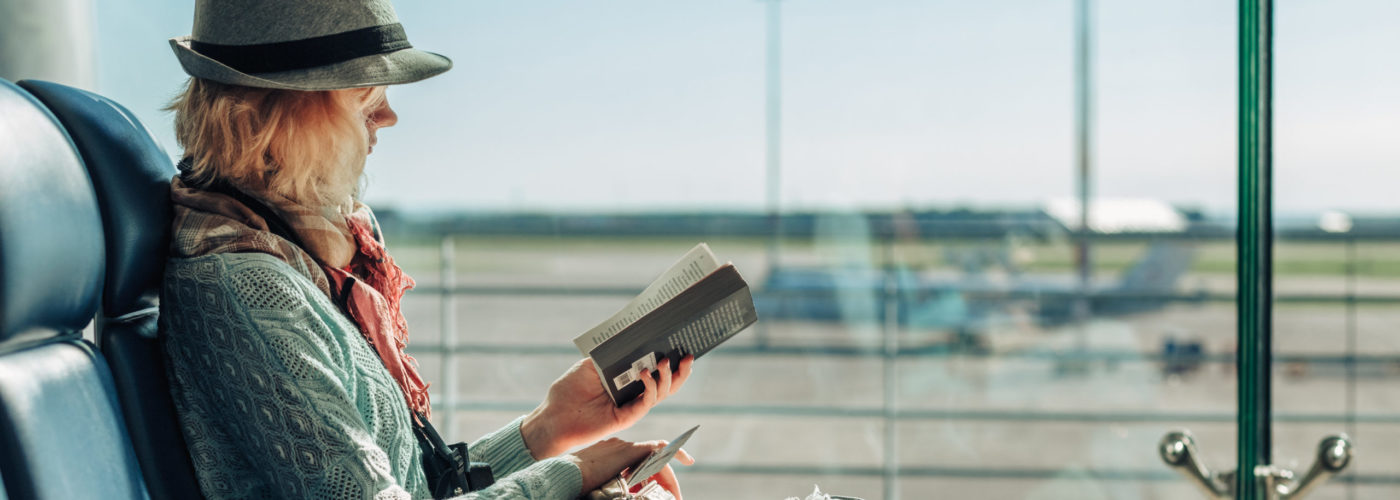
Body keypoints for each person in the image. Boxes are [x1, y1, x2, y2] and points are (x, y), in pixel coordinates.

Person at [157, 1, 695, 498]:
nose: (388, 115)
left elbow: (415, 483)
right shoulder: (246, 291)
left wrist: (550, 426)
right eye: (367, 92)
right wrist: (569, 475)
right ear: (286, 111)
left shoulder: (300, 262)